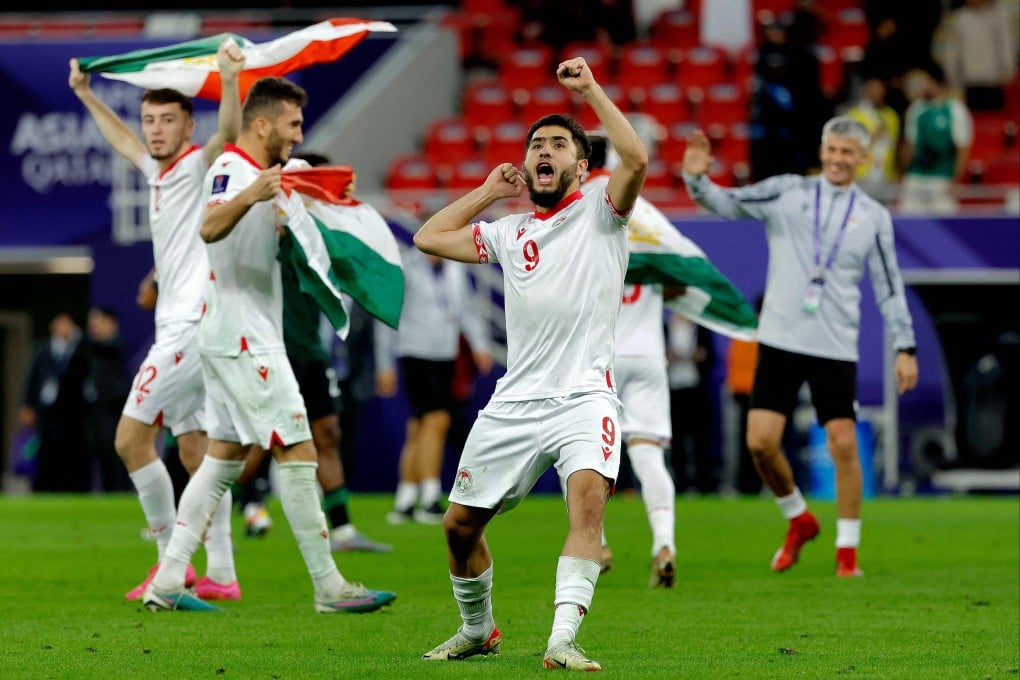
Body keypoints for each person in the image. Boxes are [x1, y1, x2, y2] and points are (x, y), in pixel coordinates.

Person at [415, 56, 648, 670]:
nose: (544, 150)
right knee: (458, 528)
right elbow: (429, 238)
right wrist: (489, 192)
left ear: (581, 164)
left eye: (558, 144)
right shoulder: (510, 230)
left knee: (588, 506)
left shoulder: (603, 213)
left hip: (583, 398)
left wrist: (591, 89)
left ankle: (562, 640)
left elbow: (639, 158)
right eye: (536, 144)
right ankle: (478, 630)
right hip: (515, 400)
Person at [141, 76, 395, 613]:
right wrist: (254, 195)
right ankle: (329, 586)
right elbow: (209, 227)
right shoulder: (233, 169)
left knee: (222, 460)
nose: (298, 135)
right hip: (243, 336)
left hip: (239, 329)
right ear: (263, 124)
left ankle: (166, 581)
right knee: (297, 447)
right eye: (293, 124)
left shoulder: (259, 175)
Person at [681, 116, 919, 577]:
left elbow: (890, 286)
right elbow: (727, 204)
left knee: (842, 441)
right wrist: (696, 178)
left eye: (848, 152)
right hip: (780, 338)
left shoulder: (872, 216)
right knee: (761, 444)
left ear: (863, 159)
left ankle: (847, 556)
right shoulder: (788, 192)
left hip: (835, 345)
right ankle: (799, 518)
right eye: (832, 149)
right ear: (822, 149)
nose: (837, 159)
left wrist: (905, 346)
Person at [69, 40, 246, 602]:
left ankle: (171, 560)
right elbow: (121, 141)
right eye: (149, 120)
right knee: (196, 448)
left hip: (191, 327)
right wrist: (86, 94)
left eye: (167, 120)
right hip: (184, 323)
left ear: (187, 123)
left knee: (129, 439)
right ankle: (221, 571)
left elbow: (230, 136)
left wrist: (229, 79)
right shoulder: (154, 168)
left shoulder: (197, 164)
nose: (154, 130)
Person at [237, 153, 391, 553]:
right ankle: (215, 514)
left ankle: (342, 531)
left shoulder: (316, 232)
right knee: (257, 441)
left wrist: (341, 203)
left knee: (327, 433)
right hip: (274, 347)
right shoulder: (275, 230)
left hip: (309, 349)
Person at [579, 134, 677, 587]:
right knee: (648, 454)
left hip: (601, 355)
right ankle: (664, 542)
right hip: (649, 354)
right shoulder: (646, 215)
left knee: (588, 455)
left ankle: (596, 543)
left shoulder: (583, 208)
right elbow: (679, 277)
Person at [376, 246, 493, 525]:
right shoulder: (407, 266)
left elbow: (465, 310)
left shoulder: (455, 266)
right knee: (438, 420)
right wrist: (384, 364)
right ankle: (429, 497)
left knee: (419, 426)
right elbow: (387, 315)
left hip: (445, 352)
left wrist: (480, 344)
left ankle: (405, 498)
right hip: (415, 352)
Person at [19, 312, 91, 492]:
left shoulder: (81, 349)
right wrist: (27, 405)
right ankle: (43, 489)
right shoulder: (43, 350)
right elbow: (32, 379)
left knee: (72, 453)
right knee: (46, 452)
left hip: (72, 413)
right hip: (46, 412)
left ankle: (74, 490)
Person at [898, 62, 974, 216]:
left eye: (925, 81)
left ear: (936, 82)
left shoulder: (955, 110)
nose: (922, 86)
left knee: (946, 226)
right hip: (915, 178)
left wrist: (956, 180)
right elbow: (910, 144)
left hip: (942, 179)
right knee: (909, 225)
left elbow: (963, 149)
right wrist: (902, 174)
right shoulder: (916, 109)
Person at [665, 310, 719, 494]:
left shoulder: (701, 330)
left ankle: (704, 484)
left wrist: (700, 356)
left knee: (701, 439)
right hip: (673, 392)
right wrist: (667, 357)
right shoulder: (664, 328)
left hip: (697, 392)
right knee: (677, 440)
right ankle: (680, 483)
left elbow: (712, 357)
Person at [84, 306, 132, 492]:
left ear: (112, 323)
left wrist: (77, 337)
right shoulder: (93, 352)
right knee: (101, 454)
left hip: (114, 410)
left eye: (98, 320)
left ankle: (121, 491)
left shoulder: (116, 345)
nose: (93, 326)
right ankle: (106, 490)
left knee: (116, 453)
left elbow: (103, 348)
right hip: (96, 411)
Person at [942, 0, 1017, 112]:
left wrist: (1007, 73)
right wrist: (954, 83)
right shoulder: (960, 19)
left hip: (995, 86)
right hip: (968, 87)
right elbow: (952, 56)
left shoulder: (999, 15)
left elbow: (1006, 48)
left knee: (994, 124)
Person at [846, 76, 901, 204]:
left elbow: (894, 147)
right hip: (862, 176)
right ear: (865, 90)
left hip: (884, 177)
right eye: (874, 88)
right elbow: (849, 147)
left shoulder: (891, 116)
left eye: (881, 89)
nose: (878, 92)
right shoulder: (854, 115)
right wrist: (873, 137)